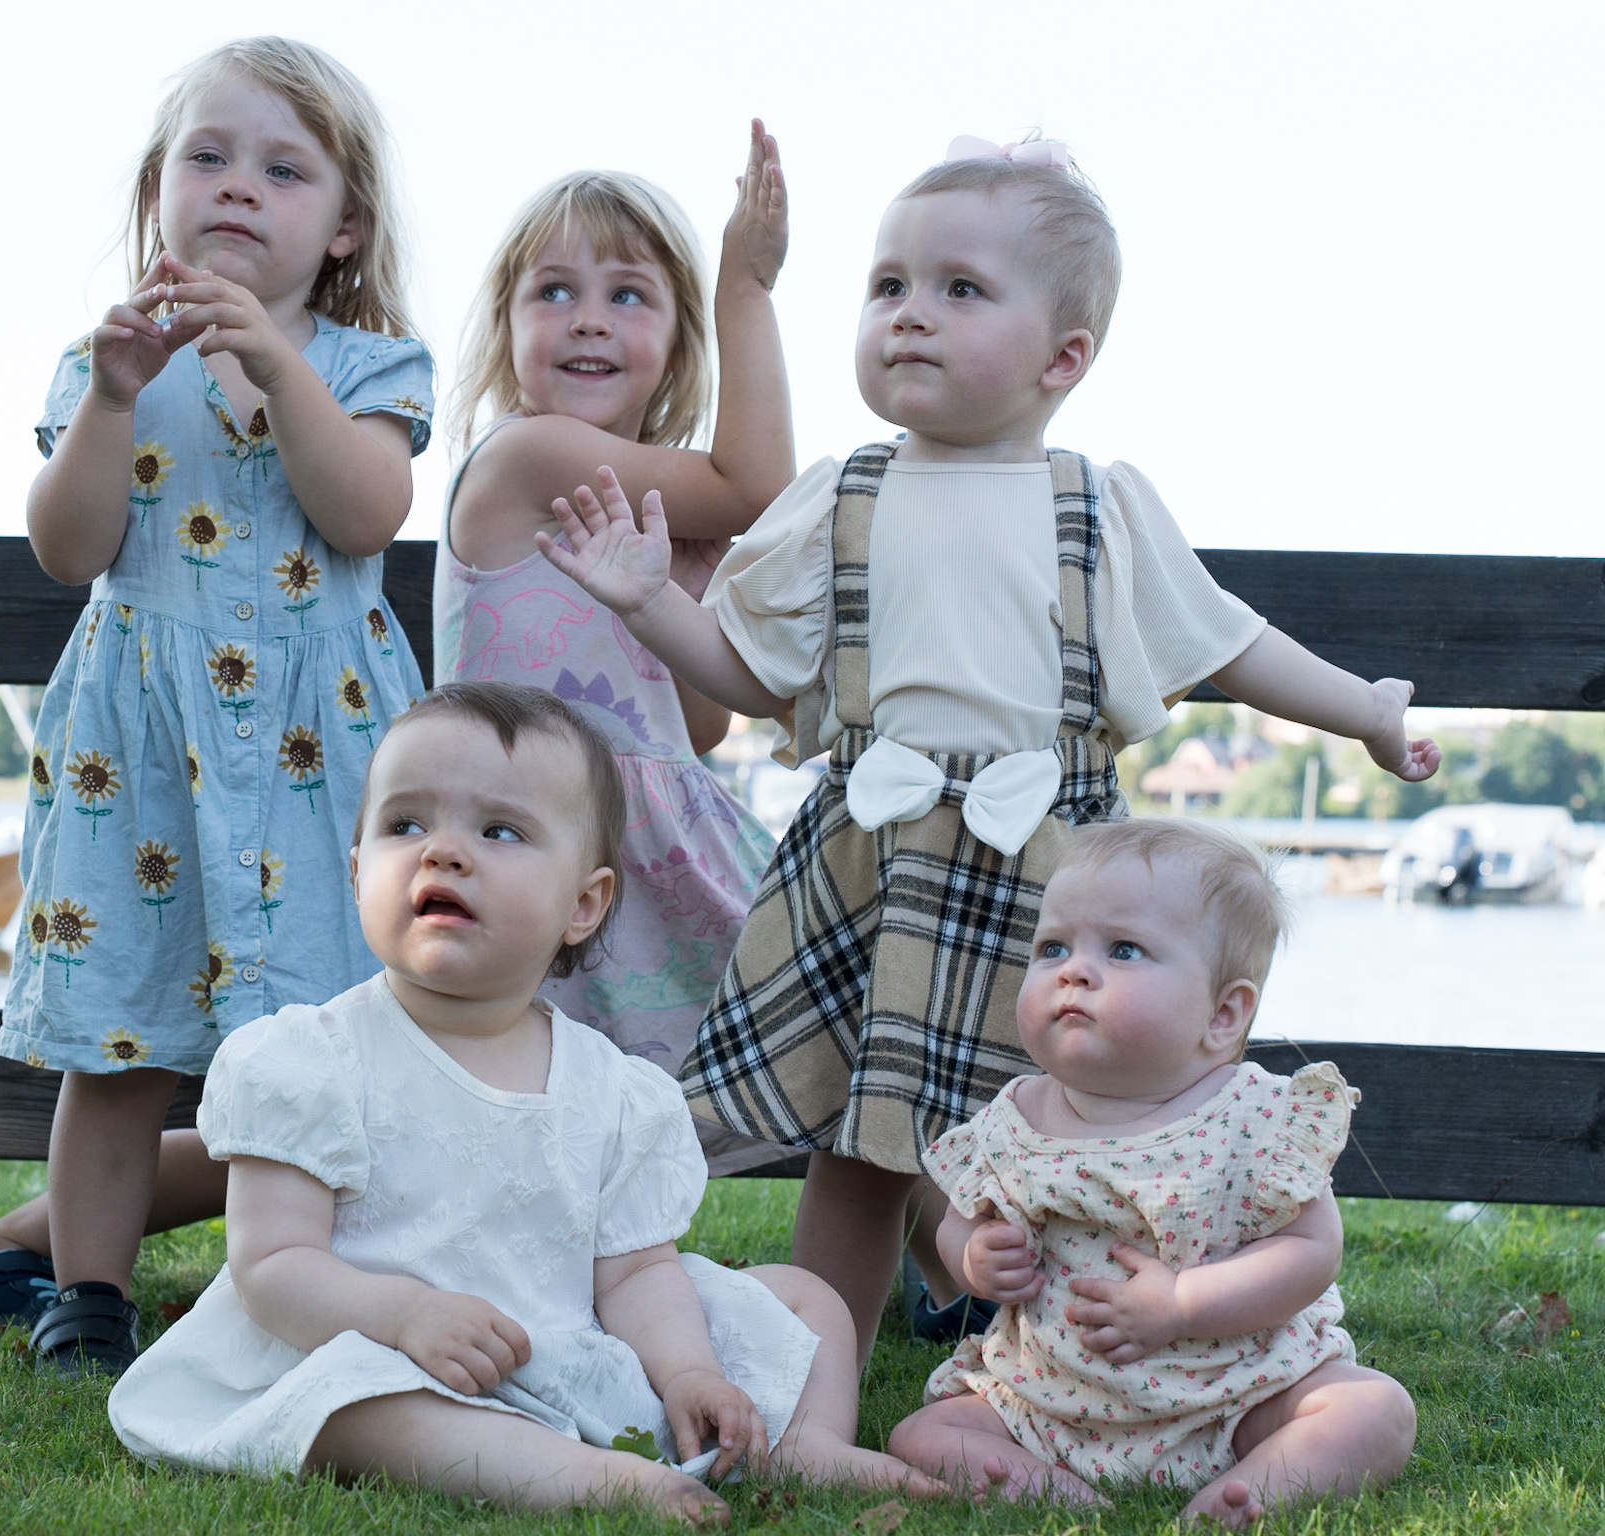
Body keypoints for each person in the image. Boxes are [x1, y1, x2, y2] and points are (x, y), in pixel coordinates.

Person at [537, 134, 1441, 1367]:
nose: (909, 315)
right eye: (887, 286)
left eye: (959, 289)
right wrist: (649, 605)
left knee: (1068, 1130)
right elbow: (753, 680)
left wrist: (1366, 713)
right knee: (862, 1151)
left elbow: (1227, 643)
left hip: (1054, 876)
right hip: (873, 859)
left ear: (1062, 356)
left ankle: (1068, 1370)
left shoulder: (1095, 503)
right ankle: (818, 1381)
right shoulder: (839, 496)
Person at [0, 37, 435, 1377]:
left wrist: (274, 361)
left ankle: (339, 1280)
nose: (238, 188)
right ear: (160, 192)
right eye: (208, 157)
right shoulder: (110, 363)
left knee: (343, 1032)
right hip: (141, 752)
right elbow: (68, 547)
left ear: (344, 228)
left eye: (283, 168)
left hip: (324, 750)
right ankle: (86, 1292)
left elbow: (367, 509)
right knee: (122, 1037)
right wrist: (109, 396)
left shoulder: (369, 365)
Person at [107, 682, 939, 1518]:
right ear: (359, 872)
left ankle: (803, 1445)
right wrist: (407, 1317)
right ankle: (591, 1479)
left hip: (563, 1340)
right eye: (405, 825)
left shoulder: (613, 1092)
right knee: (357, 1402)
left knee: (803, 1299)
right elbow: (272, 1269)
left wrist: (689, 1371)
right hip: (376, 1346)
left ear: (584, 904)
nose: (443, 852)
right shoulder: (310, 1059)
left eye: (498, 830)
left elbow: (636, 1273)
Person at [886, 819, 1416, 1526]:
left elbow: (1312, 1251)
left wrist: (1185, 1304)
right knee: (920, 1434)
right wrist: (975, 1259)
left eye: (1124, 950)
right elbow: (958, 1225)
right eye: (1052, 947)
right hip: (1049, 1401)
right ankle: (1056, 1487)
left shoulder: (1254, 1118)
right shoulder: (1013, 1120)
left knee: (1373, 1409)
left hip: (1235, 1393)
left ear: (1223, 1014)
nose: (1073, 969)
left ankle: (1246, 1490)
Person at [436, 131, 793, 1172]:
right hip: (533, 851)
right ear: (505, 337)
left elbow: (699, 722)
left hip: (644, 859)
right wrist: (747, 286)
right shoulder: (525, 455)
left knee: (829, 1023)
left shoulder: (652, 512)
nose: (588, 316)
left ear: (673, 348)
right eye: (553, 291)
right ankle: (36, 1238)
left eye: (628, 296)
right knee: (430, 1122)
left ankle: (945, 1257)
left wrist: (674, 589)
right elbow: (761, 486)